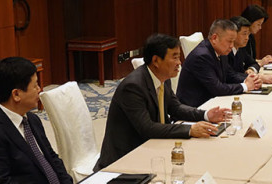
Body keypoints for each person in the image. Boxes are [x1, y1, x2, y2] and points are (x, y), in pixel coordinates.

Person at [95, 34, 231, 170]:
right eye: (175, 57)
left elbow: (176, 108)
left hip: (153, 149)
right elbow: (147, 128)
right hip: (124, 161)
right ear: (156, 61)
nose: (179, 63)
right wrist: (190, 129)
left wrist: (206, 115)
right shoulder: (132, 87)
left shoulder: (162, 78)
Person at [0, 57, 73, 184]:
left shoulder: (32, 119)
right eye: (35, 85)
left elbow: (52, 158)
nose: (40, 90)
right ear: (16, 94)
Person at [176, 19, 262, 107]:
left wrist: (250, 80)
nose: (232, 46)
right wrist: (245, 86)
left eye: (233, 41)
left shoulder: (220, 51)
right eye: (229, 41)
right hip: (195, 109)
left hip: (212, 103)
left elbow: (230, 75)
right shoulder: (202, 56)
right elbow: (217, 88)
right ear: (214, 38)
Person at [229, 16, 272, 84]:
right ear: (233, 34)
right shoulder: (225, 52)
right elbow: (231, 76)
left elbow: (253, 63)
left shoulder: (241, 49)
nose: (247, 38)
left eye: (248, 34)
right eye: (244, 34)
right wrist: (259, 77)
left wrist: (251, 69)